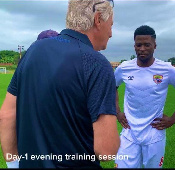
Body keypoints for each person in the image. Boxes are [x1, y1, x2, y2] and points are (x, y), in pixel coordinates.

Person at [0, 0, 119, 168]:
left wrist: (13, 163)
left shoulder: (33, 51)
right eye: (111, 25)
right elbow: (106, 151)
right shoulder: (97, 64)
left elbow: (6, 115)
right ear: (98, 19)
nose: (111, 33)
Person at [114, 25, 175, 168]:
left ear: (154, 46)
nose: (142, 49)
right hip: (129, 133)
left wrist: (173, 119)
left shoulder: (167, 69)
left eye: (147, 45)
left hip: (154, 135)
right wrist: (118, 112)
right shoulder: (124, 68)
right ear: (134, 46)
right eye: (139, 45)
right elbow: (111, 87)